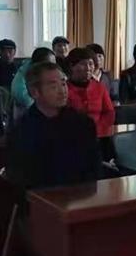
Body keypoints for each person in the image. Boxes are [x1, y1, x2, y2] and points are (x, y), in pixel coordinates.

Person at [6, 61, 102, 190]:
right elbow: (21, 177)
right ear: (35, 92)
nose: (62, 91)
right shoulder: (22, 130)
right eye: (53, 86)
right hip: (41, 196)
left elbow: (94, 166)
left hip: (82, 194)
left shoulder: (83, 123)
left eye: (63, 83)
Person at [66, 48, 115, 138]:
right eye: (83, 64)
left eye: (91, 64)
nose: (88, 68)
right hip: (71, 136)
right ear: (72, 66)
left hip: (99, 135)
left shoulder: (100, 87)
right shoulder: (64, 89)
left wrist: (97, 129)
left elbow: (109, 113)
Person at [11, 47, 56, 117]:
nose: (53, 68)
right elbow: (21, 95)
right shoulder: (23, 75)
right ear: (38, 64)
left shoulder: (51, 72)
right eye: (49, 65)